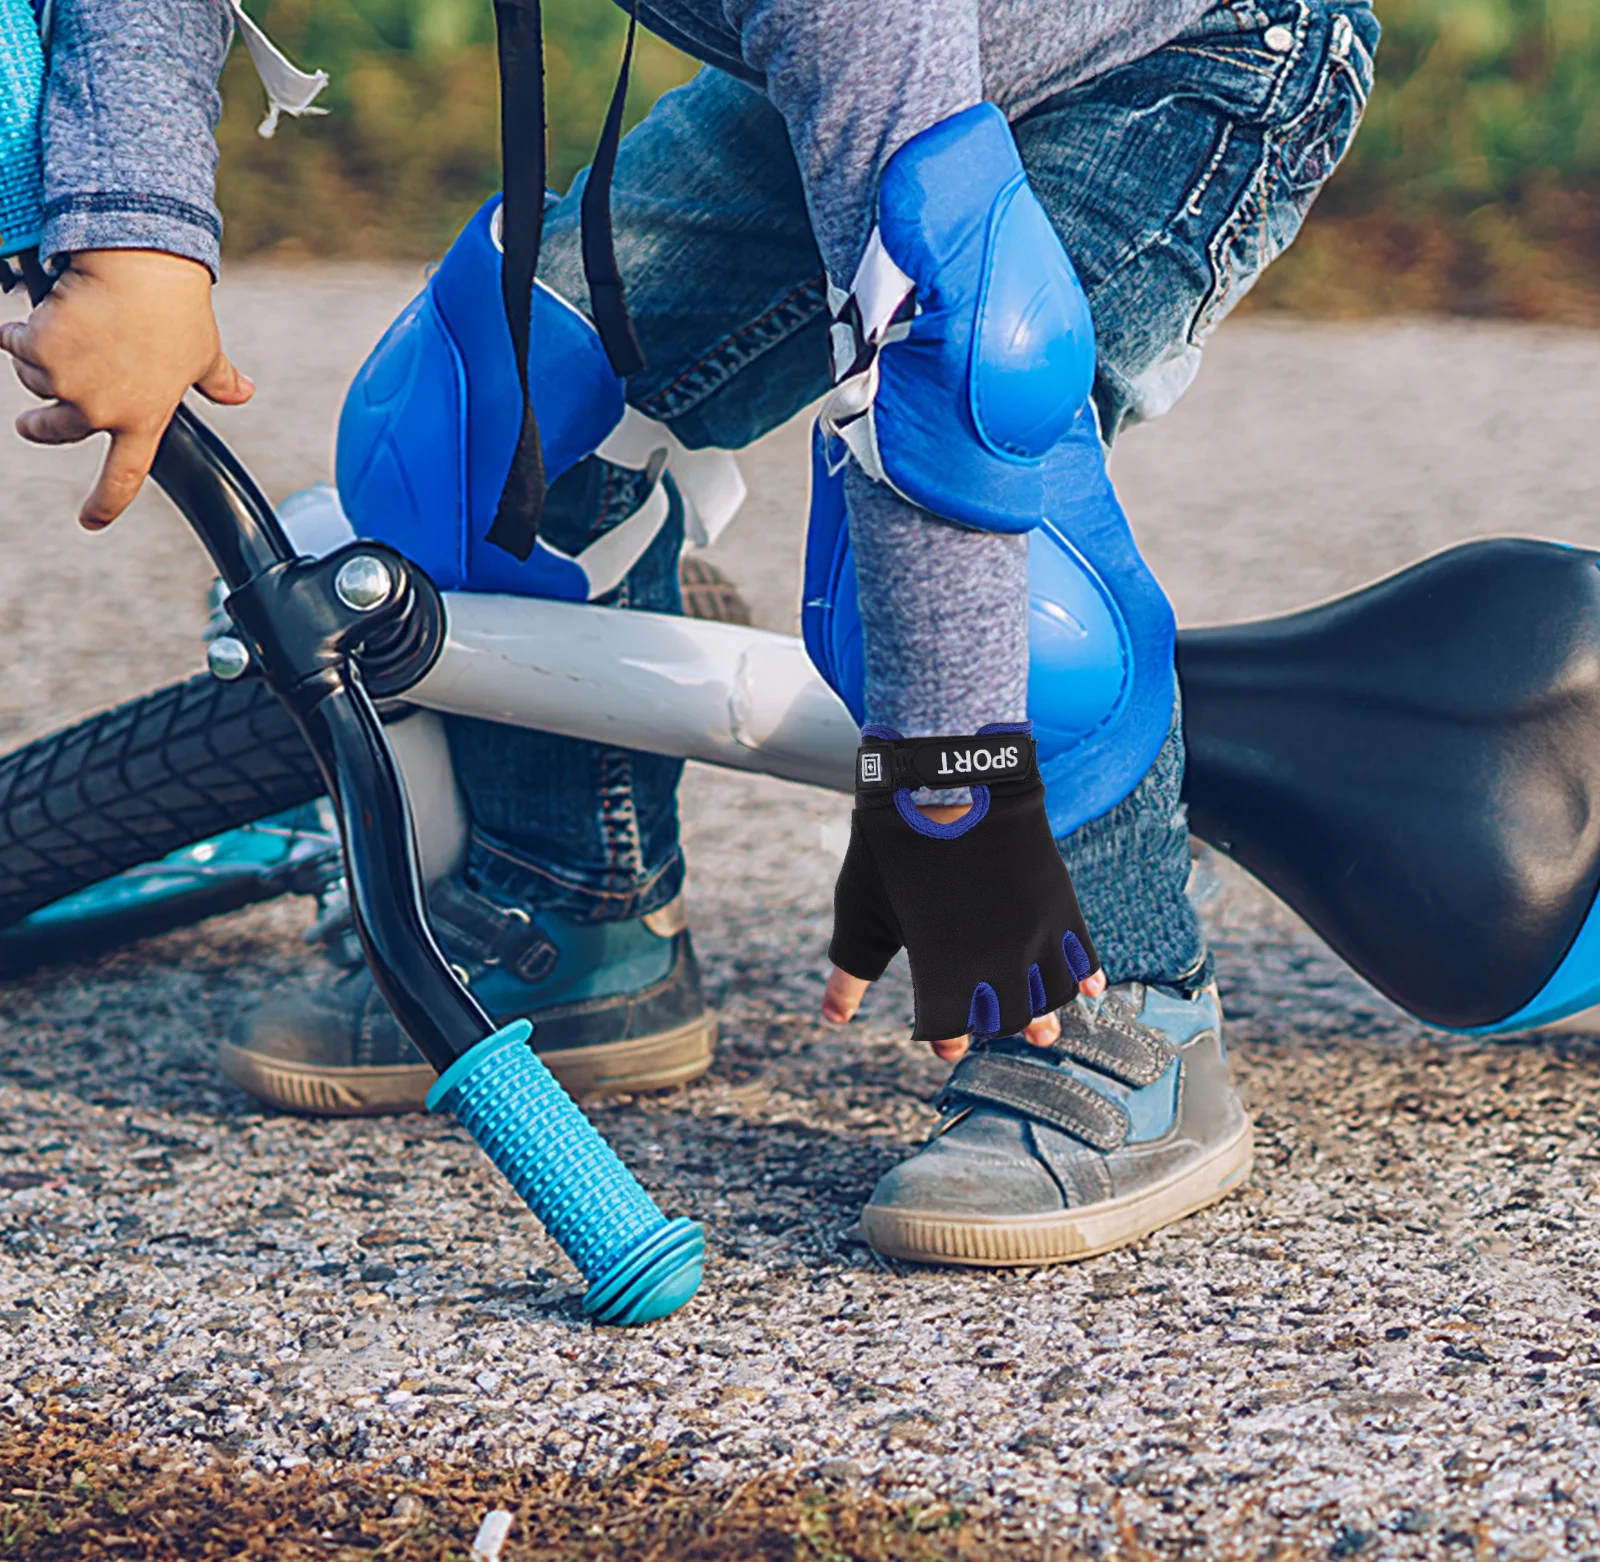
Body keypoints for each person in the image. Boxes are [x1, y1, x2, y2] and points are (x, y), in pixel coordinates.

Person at [0, 0, 1378, 1266]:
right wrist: (137, 230)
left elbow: (950, 346)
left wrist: (951, 804)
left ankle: (1123, 1004)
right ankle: (581, 902)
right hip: (854, 72)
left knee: (982, 495)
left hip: (1183, 58)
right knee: (478, 419)